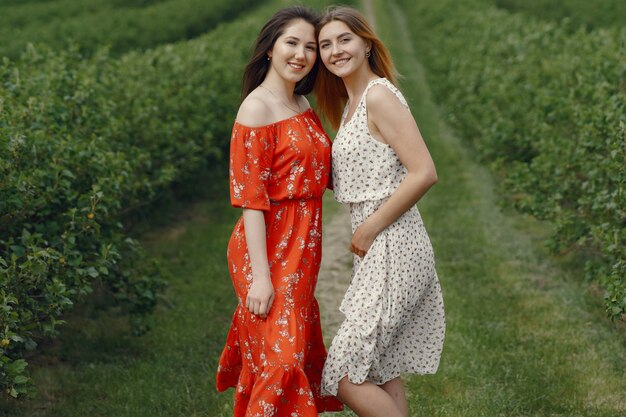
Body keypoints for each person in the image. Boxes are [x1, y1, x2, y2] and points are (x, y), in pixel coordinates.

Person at [314, 6, 446, 417]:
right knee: (382, 366)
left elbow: (424, 171)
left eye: (344, 39)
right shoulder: (352, 101)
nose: (335, 50)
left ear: (366, 43)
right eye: (325, 45)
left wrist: (370, 227)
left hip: (394, 244)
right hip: (382, 249)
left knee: (342, 374)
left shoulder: (378, 96)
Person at [215, 6, 343, 417]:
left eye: (309, 47)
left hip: (303, 246)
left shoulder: (301, 102)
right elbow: (251, 200)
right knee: (282, 361)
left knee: (282, 355)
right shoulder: (257, 109)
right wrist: (262, 279)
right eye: (292, 43)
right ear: (270, 48)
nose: (301, 54)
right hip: (268, 247)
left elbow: (322, 170)